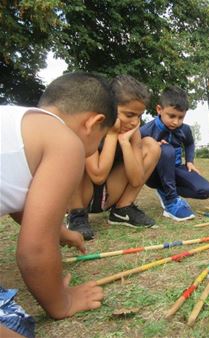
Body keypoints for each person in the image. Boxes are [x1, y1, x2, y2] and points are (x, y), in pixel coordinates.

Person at [0, 72, 116, 337]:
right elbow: (34, 250)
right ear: (93, 123)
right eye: (99, 140)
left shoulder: (18, 122)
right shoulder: (66, 142)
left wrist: (61, 233)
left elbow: (20, 201)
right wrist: (62, 302)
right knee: (15, 327)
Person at [67, 75, 161, 240]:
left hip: (109, 194)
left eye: (139, 116)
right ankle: (76, 215)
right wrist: (112, 134)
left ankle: (122, 210)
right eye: (129, 114)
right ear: (109, 107)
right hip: (84, 194)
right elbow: (97, 176)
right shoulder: (92, 127)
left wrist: (125, 142)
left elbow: (137, 179)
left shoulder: (133, 134)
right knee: (70, 144)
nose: (134, 122)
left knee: (152, 145)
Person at [140, 86, 209, 221]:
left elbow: (190, 144)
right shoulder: (145, 130)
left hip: (176, 169)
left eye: (181, 117)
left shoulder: (184, 129)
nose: (176, 122)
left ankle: (166, 190)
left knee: (205, 190)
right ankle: (171, 200)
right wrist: (152, 148)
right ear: (159, 110)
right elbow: (134, 151)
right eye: (172, 116)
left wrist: (190, 161)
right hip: (153, 175)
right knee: (167, 150)